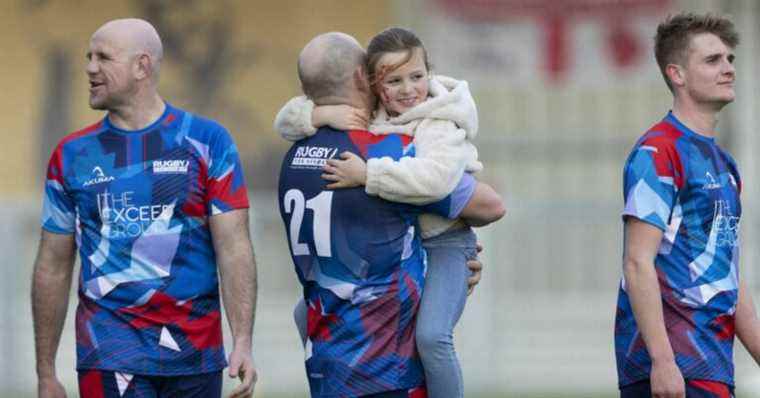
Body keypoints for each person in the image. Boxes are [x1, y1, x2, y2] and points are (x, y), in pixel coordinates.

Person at [32, 18, 257, 398]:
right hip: (108, 352)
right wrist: (45, 372)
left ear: (142, 66)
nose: (89, 67)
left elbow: (234, 248)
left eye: (103, 57)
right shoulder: (71, 156)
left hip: (195, 353)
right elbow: (52, 264)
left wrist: (244, 342)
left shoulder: (207, 141)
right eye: (89, 56)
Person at [278, 32, 504, 397]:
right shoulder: (379, 129)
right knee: (305, 313)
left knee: (432, 337)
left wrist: (368, 174)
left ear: (428, 73)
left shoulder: (433, 124)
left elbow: (451, 188)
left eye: (416, 77)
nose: (407, 89)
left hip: (446, 241)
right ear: (367, 82)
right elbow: (488, 203)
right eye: (393, 81)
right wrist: (320, 112)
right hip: (387, 327)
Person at [616, 12, 760, 398]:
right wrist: (662, 362)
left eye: (730, 59)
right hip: (674, 367)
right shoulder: (657, 152)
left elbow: (726, 272)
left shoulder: (725, 165)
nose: (728, 68)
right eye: (713, 60)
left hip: (712, 362)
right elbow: (637, 261)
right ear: (676, 74)